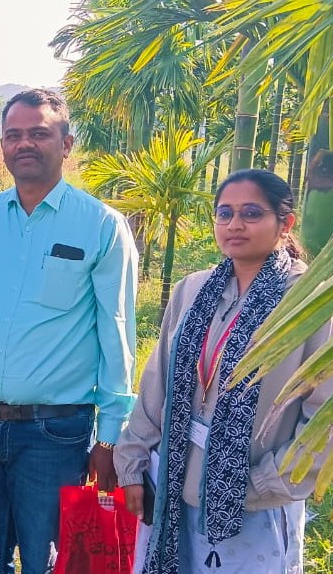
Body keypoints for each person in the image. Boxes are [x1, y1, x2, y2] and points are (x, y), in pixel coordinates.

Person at [0, 88, 138, 574]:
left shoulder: (101, 226)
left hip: (54, 431)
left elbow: (116, 333)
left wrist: (109, 439)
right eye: (13, 134)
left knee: (45, 561)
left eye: (39, 133)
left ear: (66, 143)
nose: (25, 144)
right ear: (1, 145)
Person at [115, 169, 333, 573]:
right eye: (224, 213)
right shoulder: (193, 290)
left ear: (284, 223)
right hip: (174, 486)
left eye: (252, 213)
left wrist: (263, 485)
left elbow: (324, 417)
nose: (234, 225)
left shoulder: (311, 303)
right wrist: (132, 463)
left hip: (256, 499)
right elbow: (155, 386)